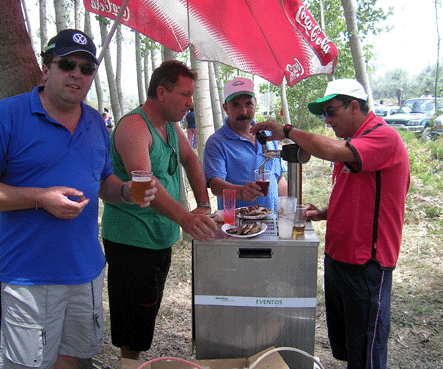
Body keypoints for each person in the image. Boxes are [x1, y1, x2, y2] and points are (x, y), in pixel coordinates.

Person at [0, 29, 157, 369]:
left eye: (86, 68)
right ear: (46, 68)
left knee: (74, 361)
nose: (77, 74)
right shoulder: (8, 115)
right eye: (67, 64)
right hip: (27, 276)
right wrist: (40, 197)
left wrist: (124, 191)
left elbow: (103, 181)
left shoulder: (96, 122)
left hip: (86, 271)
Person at [251, 79, 410, 369]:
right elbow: (359, 191)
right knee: (350, 347)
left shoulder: (383, 137)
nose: (327, 120)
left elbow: (333, 151)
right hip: (338, 257)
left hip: (366, 263)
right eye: (323, 114)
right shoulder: (354, 144)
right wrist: (323, 212)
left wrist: (287, 131)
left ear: (353, 106)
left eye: (331, 112)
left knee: (367, 354)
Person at [101, 60, 218, 360]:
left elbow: (191, 159)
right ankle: (128, 365)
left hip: (160, 236)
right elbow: (145, 183)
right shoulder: (134, 126)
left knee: (147, 313)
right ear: (162, 92)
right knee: (133, 327)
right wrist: (186, 219)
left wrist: (202, 206)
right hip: (132, 238)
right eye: (185, 95)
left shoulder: (169, 125)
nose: (191, 103)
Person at [203, 77, 287, 212]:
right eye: (235, 105)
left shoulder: (269, 135)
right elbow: (215, 186)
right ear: (225, 108)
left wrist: (286, 208)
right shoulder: (217, 142)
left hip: (271, 221)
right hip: (237, 227)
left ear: (255, 104)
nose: (244, 112)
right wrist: (240, 191)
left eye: (248, 104)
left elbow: (279, 177)